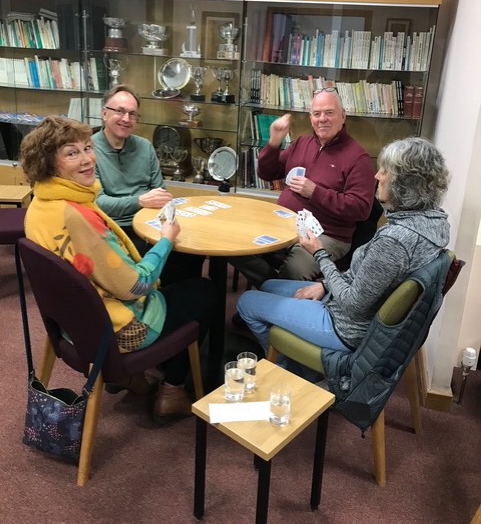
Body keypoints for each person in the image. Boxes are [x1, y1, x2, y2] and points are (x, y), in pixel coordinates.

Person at [20, 116, 216, 426]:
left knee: (178, 272)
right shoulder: (76, 216)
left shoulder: (39, 205)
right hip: (118, 330)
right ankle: (172, 390)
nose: (87, 159)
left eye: (87, 148)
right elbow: (135, 285)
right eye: (72, 153)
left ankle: (133, 378)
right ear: (48, 163)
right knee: (205, 290)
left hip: (73, 324)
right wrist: (166, 239)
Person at [236, 136, 451, 360]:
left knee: (247, 301)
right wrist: (325, 284)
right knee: (269, 285)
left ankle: (285, 367)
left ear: (405, 183)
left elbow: (352, 305)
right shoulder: (433, 223)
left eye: (385, 171)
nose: (377, 176)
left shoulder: (395, 241)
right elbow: (367, 279)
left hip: (344, 326)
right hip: (350, 306)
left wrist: (319, 254)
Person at [230, 87, 376, 288]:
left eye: (329, 112)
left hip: (328, 234)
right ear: (311, 118)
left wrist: (315, 192)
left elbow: (361, 208)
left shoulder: (358, 158)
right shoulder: (301, 143)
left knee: (295, 270)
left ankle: (270, 294)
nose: (322, 119)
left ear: (343, 116)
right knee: (235, 245)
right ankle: (271, 290)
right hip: (283, 224)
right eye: (317, 114)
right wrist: (274, 142)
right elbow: (267, 173)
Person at [92, 84, 204, 284]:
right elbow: (98, 203)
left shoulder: (145, 147)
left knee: (193, 249)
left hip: (149, 222)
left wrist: (159, 206)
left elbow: (160, 191)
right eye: (120, 111)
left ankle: (176, 296)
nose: (126, 119)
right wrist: (140, 201)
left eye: (132, 114)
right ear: (104, 113)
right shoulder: (88, 152)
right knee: (167, 258)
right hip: (116, 229)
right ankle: (156, 296)